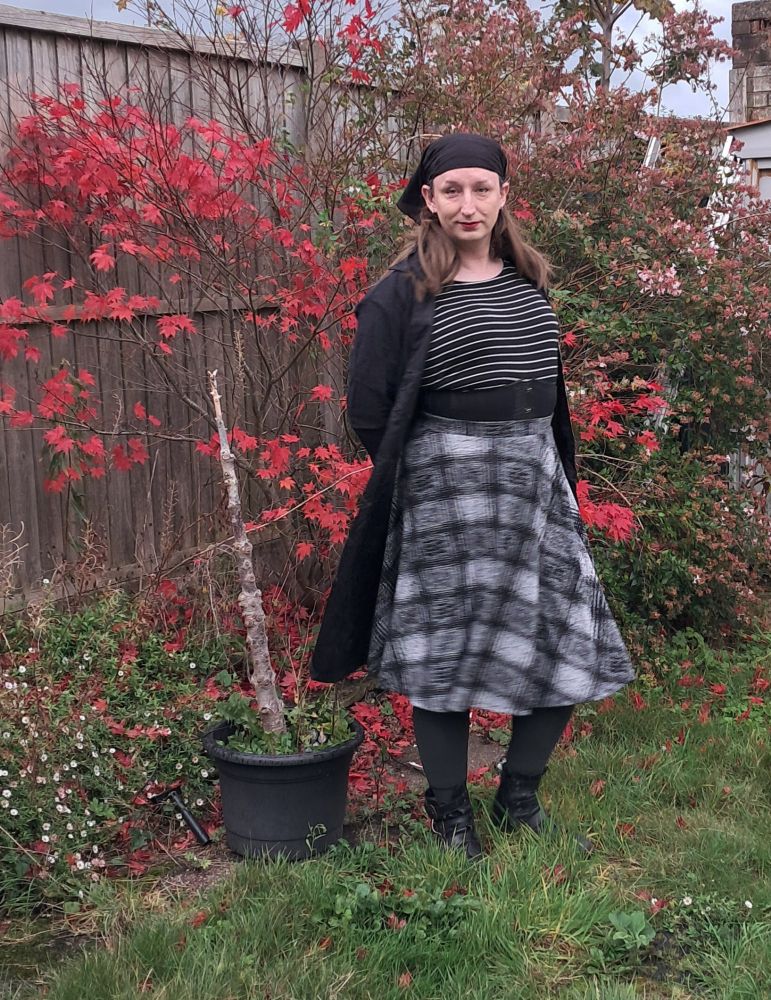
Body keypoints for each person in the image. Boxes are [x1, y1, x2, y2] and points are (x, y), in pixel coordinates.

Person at [311, 133, 635, 859]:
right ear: (426, 200)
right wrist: (428, 479)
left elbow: (546, 393)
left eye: (480, 188)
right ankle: (450, 813)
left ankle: (518, 799)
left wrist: (548, 475)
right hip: (445, 497)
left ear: (502, 196)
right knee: (444, 657)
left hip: (533, 490)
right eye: (450, 190)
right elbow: (369, 409)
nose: (467, 204)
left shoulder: (527, 282)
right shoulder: (399, 294)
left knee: (561, 644)